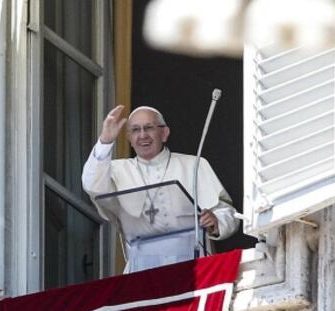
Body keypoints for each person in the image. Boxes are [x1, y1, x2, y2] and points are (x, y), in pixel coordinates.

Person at [82, 105, 239, 272]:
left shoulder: (194, 165)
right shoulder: (116, 170)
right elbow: (92, 185)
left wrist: (215, 221)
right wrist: (105, 141)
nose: (142, 135)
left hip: (193, 266)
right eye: (135, 130)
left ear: (164, 133)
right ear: (128, 137)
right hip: (141, 270)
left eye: (149, 128)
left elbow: (229, 214)